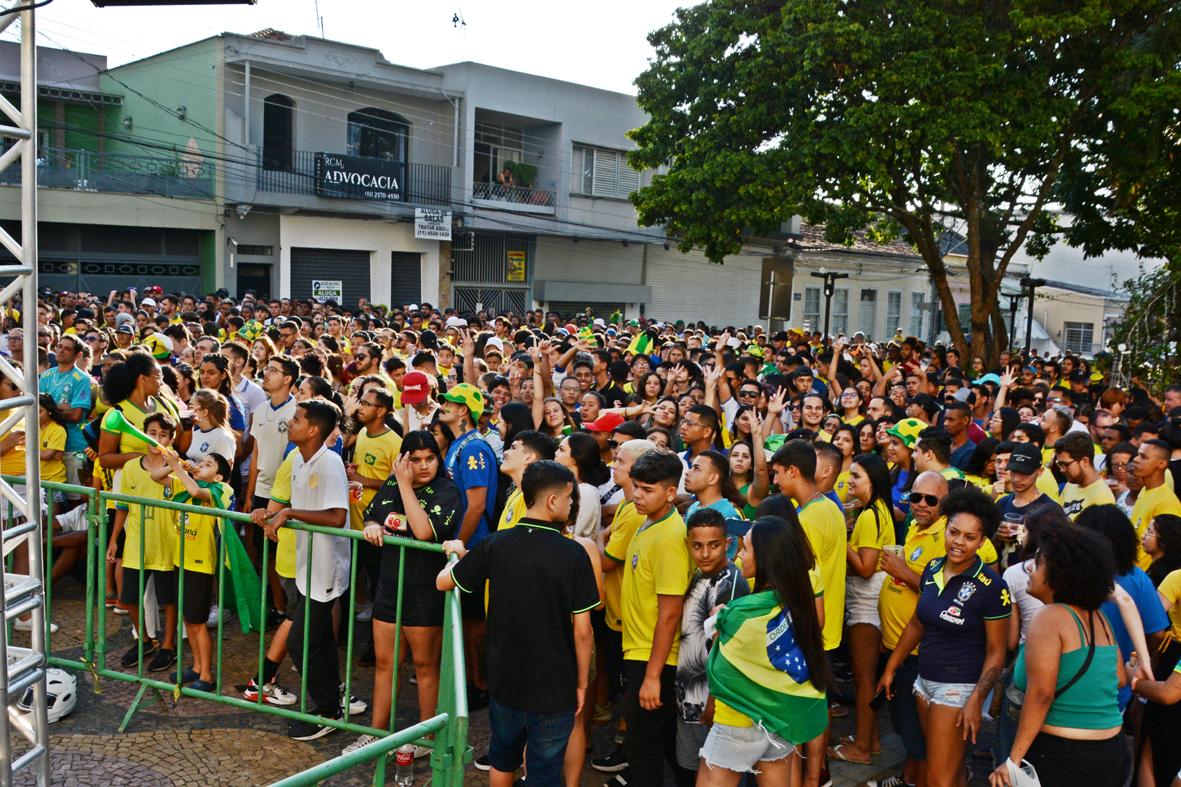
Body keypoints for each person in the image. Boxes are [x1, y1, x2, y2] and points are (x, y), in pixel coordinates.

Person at [437, 461, 598, 787]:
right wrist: (581, 683)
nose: (570, 506)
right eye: (568, 500)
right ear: (553, 502)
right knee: (545, 771)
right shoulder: (574, 554)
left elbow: (443, 582)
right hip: (555, 687)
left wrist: (455, 551)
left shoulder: (496, 543)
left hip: (505, 680)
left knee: (503, 758)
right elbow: (583, 631)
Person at [878, 486, 1010, 787]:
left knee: (938, 779)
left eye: (969, 537)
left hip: (957, 689)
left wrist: (976, 700)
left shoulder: (992, 587)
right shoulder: (933, 568)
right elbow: (917, 623)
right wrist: (891, 667)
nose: (958, 542)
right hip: (923, 683)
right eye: (954, 532)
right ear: (946, 528)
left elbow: (996, 651)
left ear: (982, 541)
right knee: (947, 771)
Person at [343, 431, 461, 756]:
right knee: (385, 663)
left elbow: (423, 532)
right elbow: (373, 512)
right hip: (388, 588)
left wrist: (406, 485)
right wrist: (370, 524)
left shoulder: (448, 491)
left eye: (430, 459)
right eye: (416, 459)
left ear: (439, 459)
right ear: (403, 460)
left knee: (424, 665)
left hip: (424, 593)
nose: (423, 466)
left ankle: (428, 737)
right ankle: (376, 733)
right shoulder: (393, 483)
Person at [988, 526, 1130, 787]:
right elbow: (1120, 678)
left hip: (1065, 757)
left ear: (1059, 574)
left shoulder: (1049, 618)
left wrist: (1013, 760)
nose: (1029, 567)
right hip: (1112, 752)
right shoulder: (1099, 617)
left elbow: (1041, 694)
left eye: (1038, 562)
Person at [697, 516, 832, 786]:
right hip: (780, 718)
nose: (739, 555)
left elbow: (721, 669)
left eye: (745, 549)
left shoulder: (741, 613)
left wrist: (721, 623)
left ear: (766, 559)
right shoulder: (797, 599)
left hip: (737, 723)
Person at [256, 398, 351, 740]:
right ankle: (331, 706)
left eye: (296, 419)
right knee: (319, 640)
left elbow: (337, 517)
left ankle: (326, 709)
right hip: (306, 564)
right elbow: (300, 505)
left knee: (303, 642)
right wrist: (271, 514)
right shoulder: (298, 460)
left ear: (313, 429)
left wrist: (290, 514)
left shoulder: (330, 463)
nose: (289, 424)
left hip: (326, 568)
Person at [617, 449, 692, 786]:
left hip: (652, 657)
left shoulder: (669, 539)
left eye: (647, 490)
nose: (637, 495)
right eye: (636, 486)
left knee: (643, 753)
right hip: (639, 652)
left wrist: (652, 676)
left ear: (670, 493)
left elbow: (670, 612)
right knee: (659, 746)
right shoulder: (648, 521)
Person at [673, 507, 750, 786]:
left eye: (714, 545)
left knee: (721, 774)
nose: (705, 554)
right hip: (687, 700)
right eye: (698, 546)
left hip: (713, 706)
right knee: (689, 771)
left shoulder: (729, 585)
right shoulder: (693, 575)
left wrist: (713, 701)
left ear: (728, 544)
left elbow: (730, 651)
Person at [830, 453, 895, 765]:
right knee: (866, 675)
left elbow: (866, 567)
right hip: (872, 599)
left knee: (864, 676)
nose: (850, 481)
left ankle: (862, 750)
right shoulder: (877, 510)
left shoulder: (871, 516)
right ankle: (871, 740)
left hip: (866, 602)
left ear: (873, 480)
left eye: (856, 476)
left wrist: (840, 536)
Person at [105, 413, 180, 673]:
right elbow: (122, 507)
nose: (156, 438)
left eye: (163, 434)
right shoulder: (130, 468)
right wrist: (115, 539)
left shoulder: (177, 466)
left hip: (167, 543)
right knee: (129, 597)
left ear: (171, 439)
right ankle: (145, 640)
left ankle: (168, 645)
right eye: (152, 432)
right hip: (136, 542)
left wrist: (177, 465)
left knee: (168, 599)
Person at [155, 450, 234, 693]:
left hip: (200, 564)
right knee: (188, 618)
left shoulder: (221, 491)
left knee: (198, 622)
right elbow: (155, 477)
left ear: (219, 477)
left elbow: (196, 492)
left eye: (208, 465)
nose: (200, 466)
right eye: (200, 462)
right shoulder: (187, 480)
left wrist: (179, 468)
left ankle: (208, 675)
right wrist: (174, 463)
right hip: (182, 560)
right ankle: (197, 667)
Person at [1128, 438, 1181, 568]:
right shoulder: (1144, 491)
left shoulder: (1166, 503)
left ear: (1161, 464)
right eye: (1138, 454)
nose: (1135, 459)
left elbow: (1169, 551)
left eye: (1143, 457)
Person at [1054, 432, 1114, 520]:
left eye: (1065, 464)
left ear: (1085, 461)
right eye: (1059, 464)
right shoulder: (1070, 484)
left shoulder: (1102, 497)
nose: (1062, 470)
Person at [684, 449, 744, 522]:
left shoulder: (728, 515)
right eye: (691, 468)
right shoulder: (692, 508)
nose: (687, 472)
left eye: (696, 468)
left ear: (713, 479)